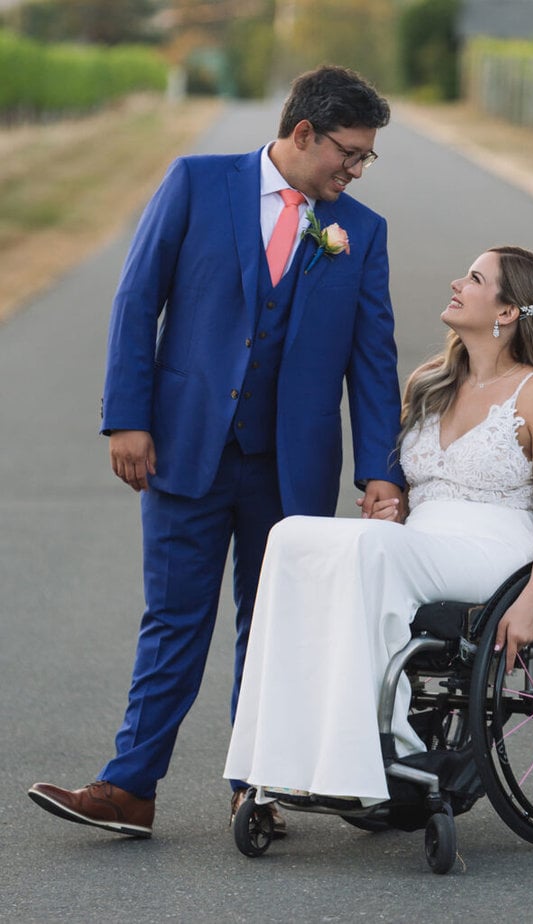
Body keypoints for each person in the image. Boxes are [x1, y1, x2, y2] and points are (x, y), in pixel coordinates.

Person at [27, 66, 405, 838]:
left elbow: (372, 360)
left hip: (289, 464)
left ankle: (255, 787)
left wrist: (378, 472)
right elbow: (138, 298)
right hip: (184, 446)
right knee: (173, 619)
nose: (357, 169)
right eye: (351, 152)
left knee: (270, 627)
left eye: (367, 159)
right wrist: (127, 418)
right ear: (303, 133)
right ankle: (129, 788)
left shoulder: (360, 233)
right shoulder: (196, 184)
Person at [223, 245, 533, 807]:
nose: (456, 283)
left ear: (508, 311)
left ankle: (385, 744)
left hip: (493, 548)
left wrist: (529, 603)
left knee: (375, 552)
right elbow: (411, 495)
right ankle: (277, 758)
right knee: (289, 535)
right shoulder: (431, 382)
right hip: (421, 541)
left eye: (473, 278)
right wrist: (396, 512)